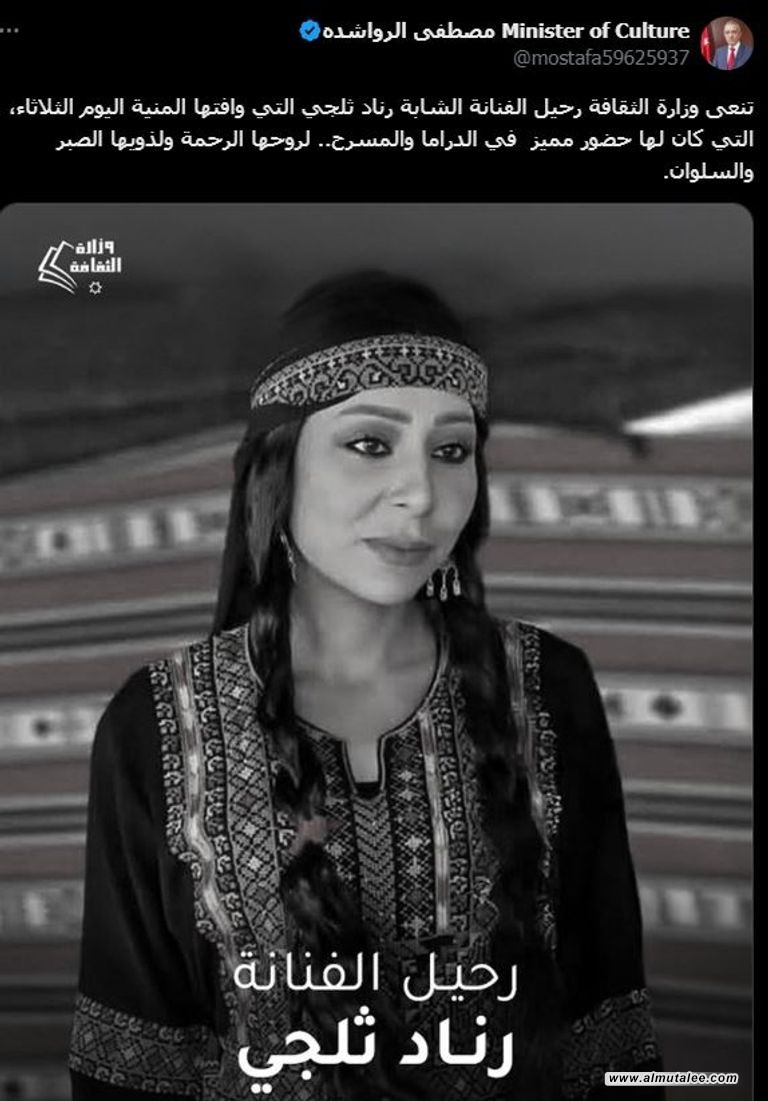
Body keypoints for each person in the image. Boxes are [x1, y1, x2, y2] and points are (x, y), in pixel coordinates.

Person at [69, 271, 664, 1100]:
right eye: (370, 444)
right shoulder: (155, 722)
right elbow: (132, 1064)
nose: (420, 494)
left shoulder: (550, 689)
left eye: (451, 451)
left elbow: (611, 1037)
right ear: (278, 472)